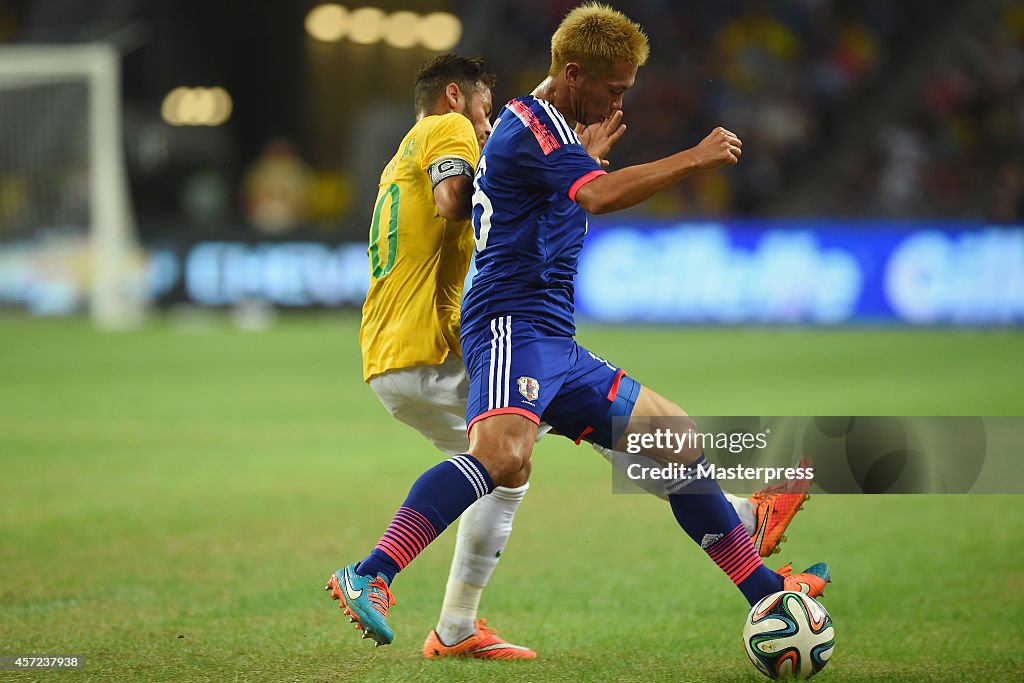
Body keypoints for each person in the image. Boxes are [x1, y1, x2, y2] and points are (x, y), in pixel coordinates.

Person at [328, 12, 822, 649]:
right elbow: (598, 197)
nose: (622, 99)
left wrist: (578, 165)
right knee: (502, 456)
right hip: (510, 321)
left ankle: (764, 592)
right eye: (615, 88)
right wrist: (694, 159)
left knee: (672, 437)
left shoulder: (554, 130)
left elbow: (554, 196)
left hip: (551, 334)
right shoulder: (528, 125)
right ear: (573, 74)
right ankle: (372, 573)